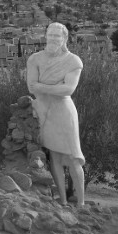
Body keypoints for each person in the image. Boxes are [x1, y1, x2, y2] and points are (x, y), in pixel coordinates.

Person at [27, 23, 86, 207]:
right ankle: (62, 200)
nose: (53, 39)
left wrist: (44, 87)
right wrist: (55, 87)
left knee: (73, 157)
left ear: (64, 39)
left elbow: (68, 89)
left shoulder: (73, 61)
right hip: (44, 111)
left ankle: (81, 203)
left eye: (57, 36)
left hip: (64, 111)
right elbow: (31, 87)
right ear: (45, 36)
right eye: (50, 35)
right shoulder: (34, 59)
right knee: (55, 157)